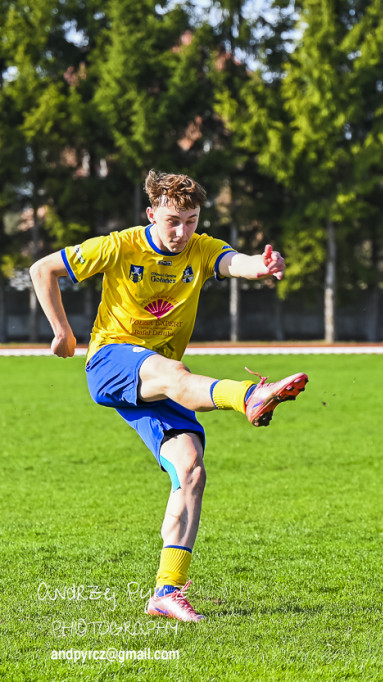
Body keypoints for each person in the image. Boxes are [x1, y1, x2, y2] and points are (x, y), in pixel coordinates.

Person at [29, 170, 309, 621]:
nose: (182, 232)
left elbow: (235, 262)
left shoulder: (202, 248)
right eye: (173, 221)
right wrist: (62, 331)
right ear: (151, 214)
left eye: (191, 220)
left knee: (191, 470)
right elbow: (43, 269)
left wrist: (263, 265)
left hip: (155, 380)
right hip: (111, 362)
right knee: (176, 373)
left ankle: (166, 590)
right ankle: (249, 396)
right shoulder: (119, 245)